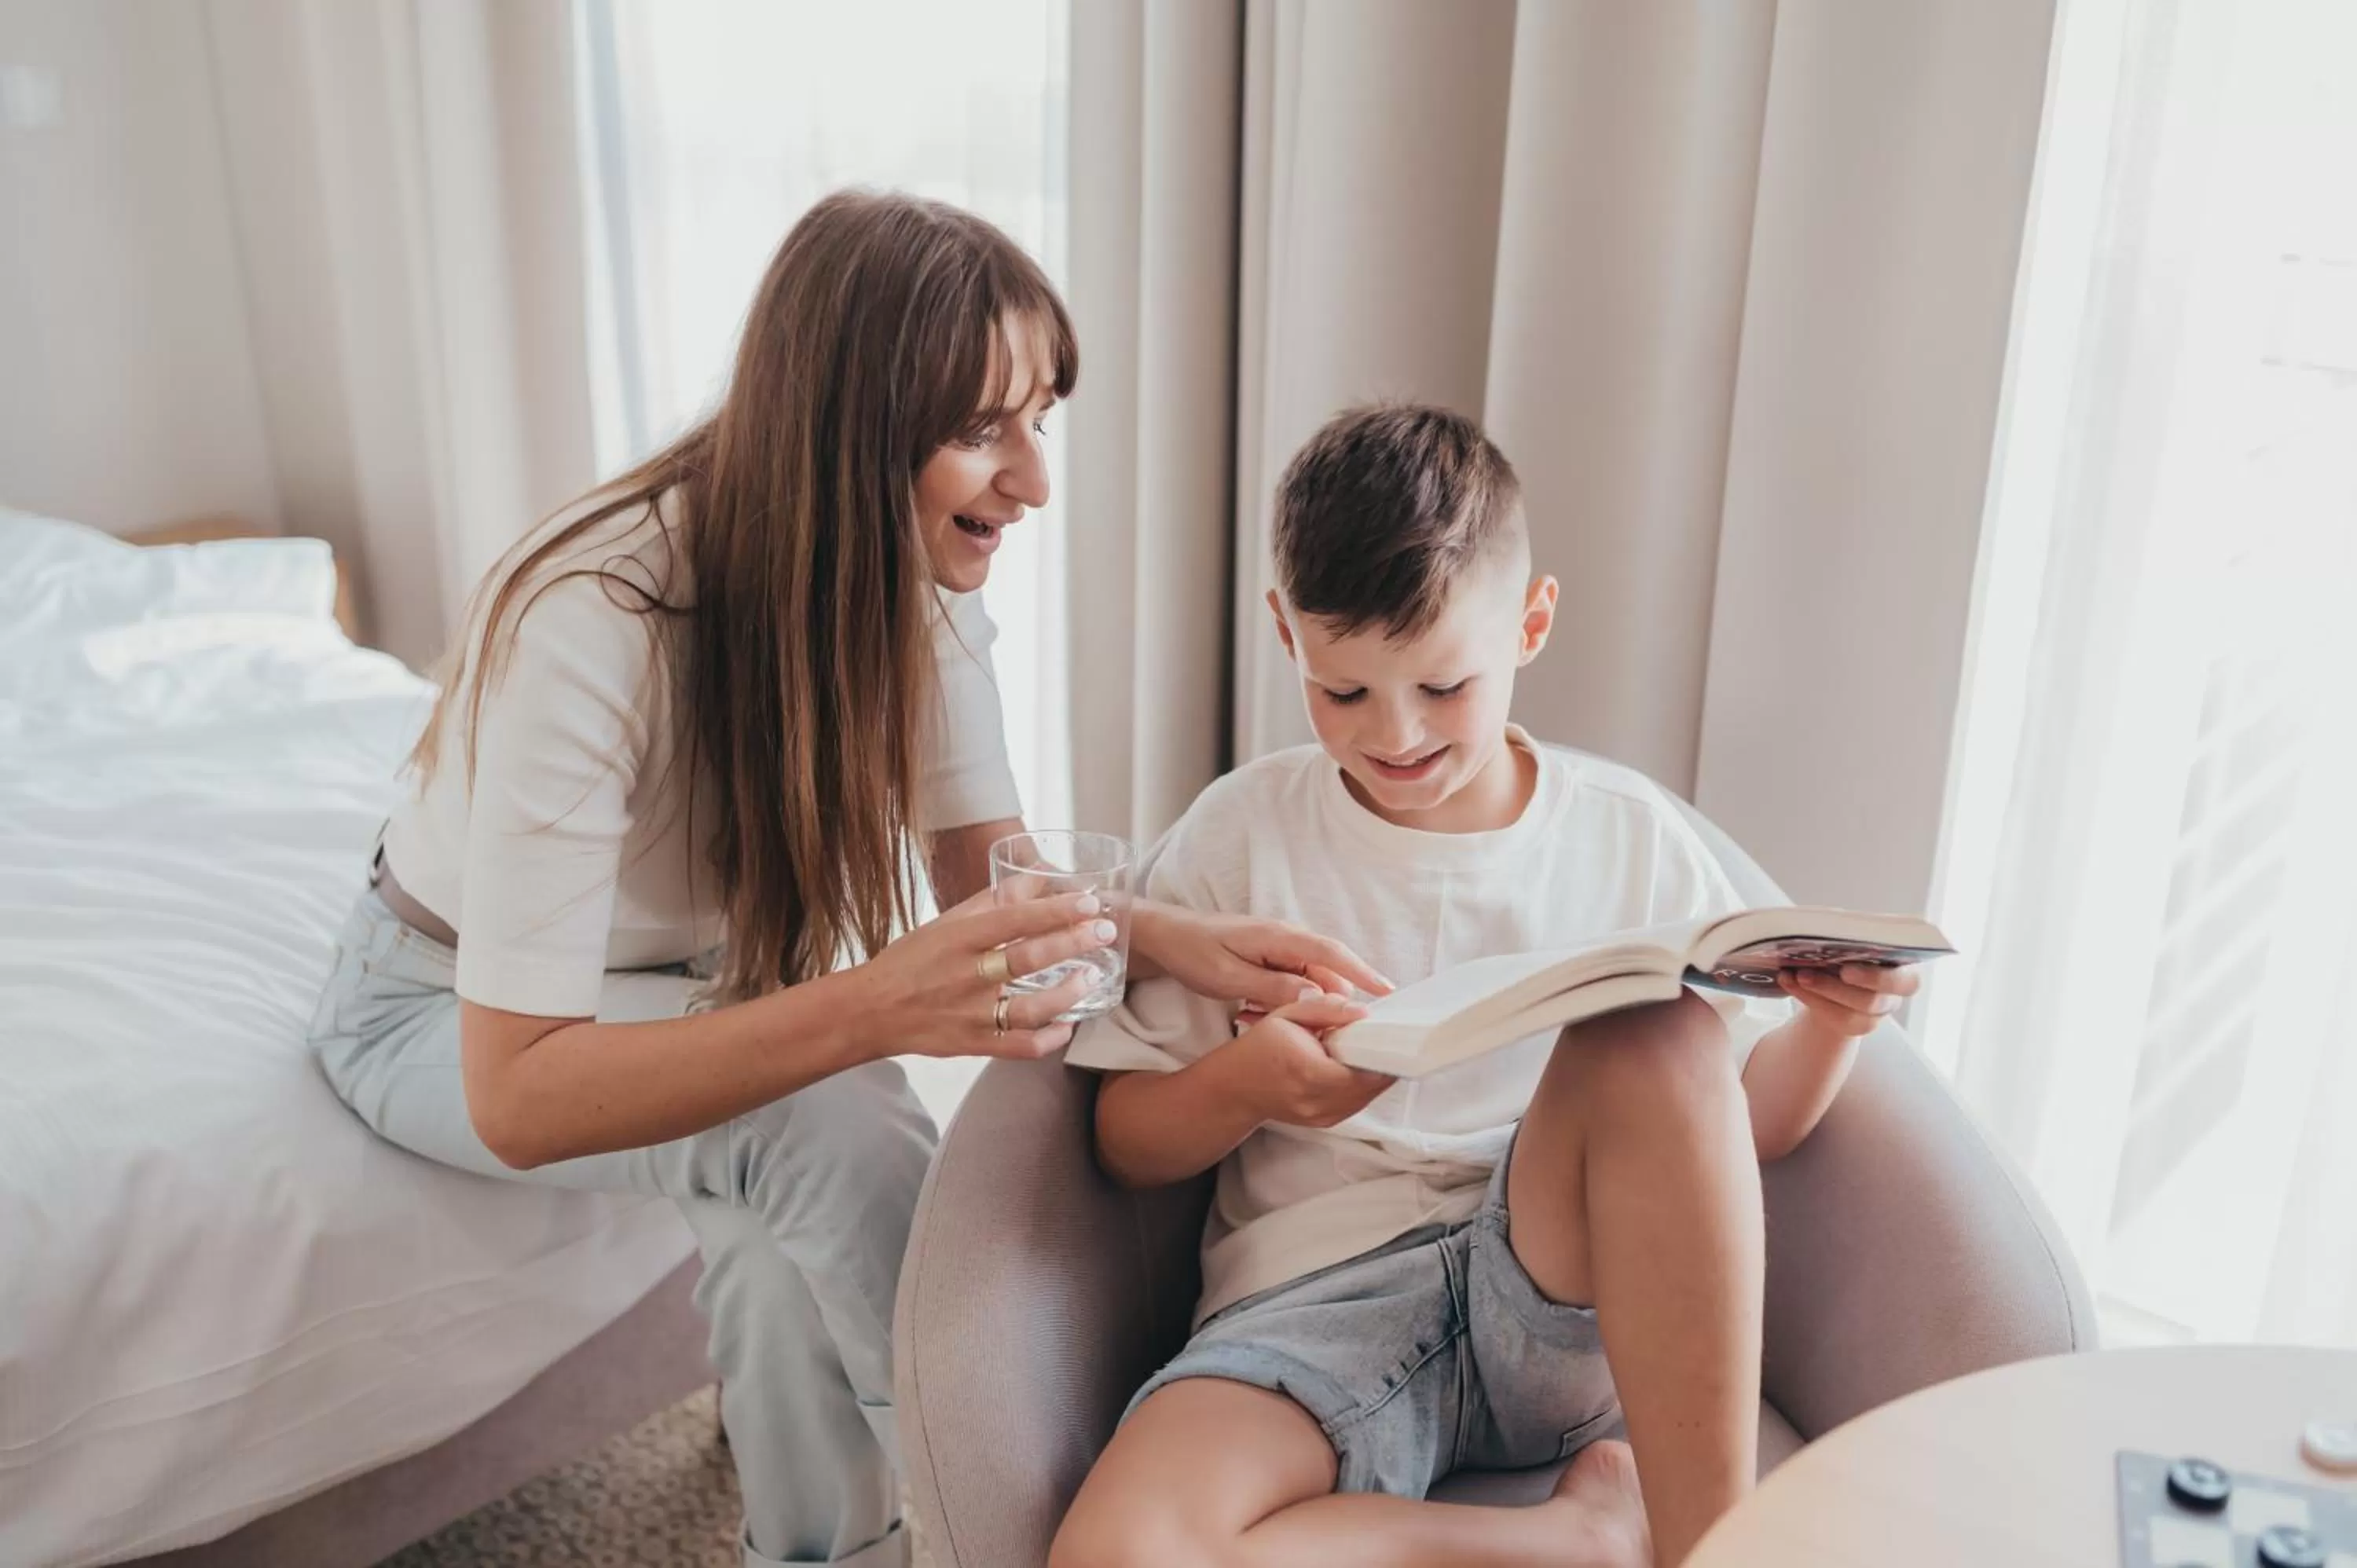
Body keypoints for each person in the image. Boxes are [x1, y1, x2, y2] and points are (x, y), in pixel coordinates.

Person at [306, 192, 1383, 1568]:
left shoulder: (908, 572)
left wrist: (1176, 937)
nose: (1035, 481)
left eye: (1037, 420)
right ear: (846, 433)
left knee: (780, 1238)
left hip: (688, 991)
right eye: (982, 431)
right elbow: (514, 1093)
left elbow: (981, 877)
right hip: (430, 1006)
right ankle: (1016, 1512)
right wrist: (873, 1010)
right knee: (830, 1117)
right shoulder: (594, 619)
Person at [1048, 404, 1922, 1568]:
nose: (1395, 736)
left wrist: (1833, 1024)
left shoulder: (1630, 838)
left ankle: (1713, 1550)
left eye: (1444, 687)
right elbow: (1121, 1145)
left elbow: (1733, 1130)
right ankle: (1577, 1540)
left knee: (1655, 1037)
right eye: (1344, 693)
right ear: (1285, 633)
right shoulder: (1239, 832)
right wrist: (1251, 1083)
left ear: (1531, 623)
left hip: (1551, 1289)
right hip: (1312, 1307)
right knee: (1111, 1555)